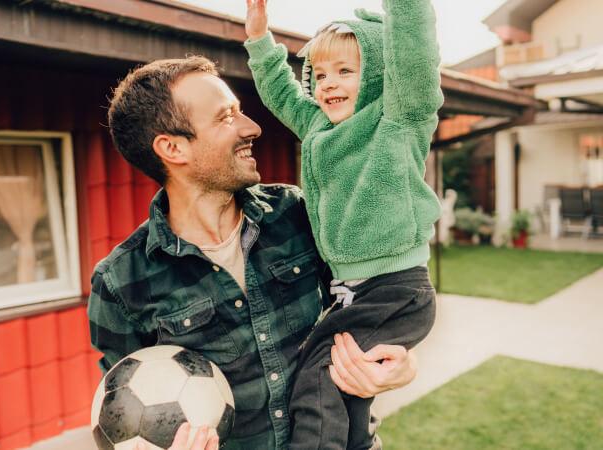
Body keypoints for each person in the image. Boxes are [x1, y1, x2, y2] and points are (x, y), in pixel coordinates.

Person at [88, 55, 417, 450]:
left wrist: (398, 361)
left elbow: (374, 298)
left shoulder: (300, 214)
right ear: (173, 148)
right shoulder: (121, 282)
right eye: (227, 117)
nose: (253, 127)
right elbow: (122, 425)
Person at [243, 0, 442, 448]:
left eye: (345, 71)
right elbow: (281, 92)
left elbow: (414, 59)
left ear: (375, 74)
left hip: (395, 286)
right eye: (320, 73)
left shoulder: (397, 119)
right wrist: (259, 40)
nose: (329, 83)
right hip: (354, 288)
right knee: (347, 387)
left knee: (318, 376)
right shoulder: (319, 128)